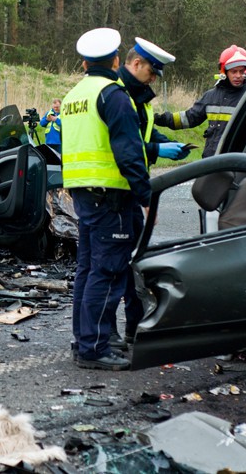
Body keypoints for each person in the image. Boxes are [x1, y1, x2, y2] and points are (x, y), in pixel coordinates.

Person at [61, 28, 151, 371]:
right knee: (108, 271)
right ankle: (95, 348)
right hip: (110, 196)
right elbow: (129, 153)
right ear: (116, 61)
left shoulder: (75, 95)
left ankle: (83, 340)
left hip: (84, 194)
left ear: (84, 62)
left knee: (87, 270)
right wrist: (145, 196)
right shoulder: (113, 95)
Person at [111, 37, 190, 350]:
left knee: (135, 260)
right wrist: (158, 150)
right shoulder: (118, 97)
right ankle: (111, 336)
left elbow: (142, 131)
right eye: (152, 71)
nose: (154, 78)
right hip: (118, 188)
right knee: (118, 265)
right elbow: (124, 147)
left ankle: (135, 327)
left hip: (127, 188)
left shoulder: (138, 98)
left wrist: (164, 142)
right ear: (136, 64)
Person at [154, 45, 246, 158]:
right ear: (224, 71)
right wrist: (162, 119)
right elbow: (190, 117)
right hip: (210, 159)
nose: (238, 76)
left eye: (241, 71)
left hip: (237, 161)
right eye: (234, 72)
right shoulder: (211, 96)